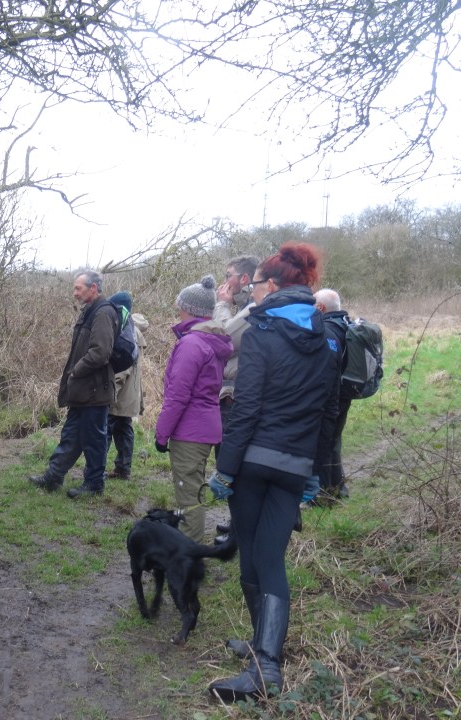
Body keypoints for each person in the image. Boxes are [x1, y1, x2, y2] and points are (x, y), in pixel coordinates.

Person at [208, 242, 341, 704]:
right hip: (294, 465)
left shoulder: (262, 329)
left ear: (273, 285)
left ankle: (265, 668)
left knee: (254, 558)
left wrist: (225, 469)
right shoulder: (328, 335)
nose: (254, 292)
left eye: (258, 284)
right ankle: (260, 646)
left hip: (254, 462)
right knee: (272, 558)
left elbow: (246, 407)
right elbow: (328, 411)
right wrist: (314, 471)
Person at [154, 276, 233, 542]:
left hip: (189, 430)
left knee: (188, 495)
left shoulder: (191, 344)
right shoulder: (211, 340)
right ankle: (190, 547)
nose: (178, 309)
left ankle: (189, 553)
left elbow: (178, 395)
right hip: (205, 427)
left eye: (180, 305)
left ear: (188, 308)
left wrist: (162, 434)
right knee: (193, 489)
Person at [29, 269, 120, 499]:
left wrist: (76, 371)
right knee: (71, 435)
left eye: (78, 288)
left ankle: (94, 484)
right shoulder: (89, 311)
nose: (75, 293)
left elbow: (100, 352)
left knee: (94, 440)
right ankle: (53, 477)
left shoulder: (103, 313)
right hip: (83, 390)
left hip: (95, 390)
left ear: (93, 288)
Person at [211, 255, 260, 543]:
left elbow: (224, 337)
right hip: (236, 391)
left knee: (231, 462)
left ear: (244, 279)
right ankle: (237, 525)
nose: (224, 280)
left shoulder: (253, 308)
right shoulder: (247, 306)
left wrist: (221, 305)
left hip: (236, 395)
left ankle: (238, 533)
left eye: (228, 274)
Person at [314, 288, 352, 499]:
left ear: (321, 307)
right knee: (334, 441)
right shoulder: (345, 324)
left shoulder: (328, 329)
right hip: (345, 391)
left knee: (325, 440)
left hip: (332, 394)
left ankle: (324, 493)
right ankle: (338, 489)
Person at [106, 291, 148, 479]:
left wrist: (110, 393)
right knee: (124, 429)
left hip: (120, 394)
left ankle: (96, 470)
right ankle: (123, 469)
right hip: (129, 394)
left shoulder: (128, 332)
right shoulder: (133, 330)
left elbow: (123, 370)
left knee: (107, 429)